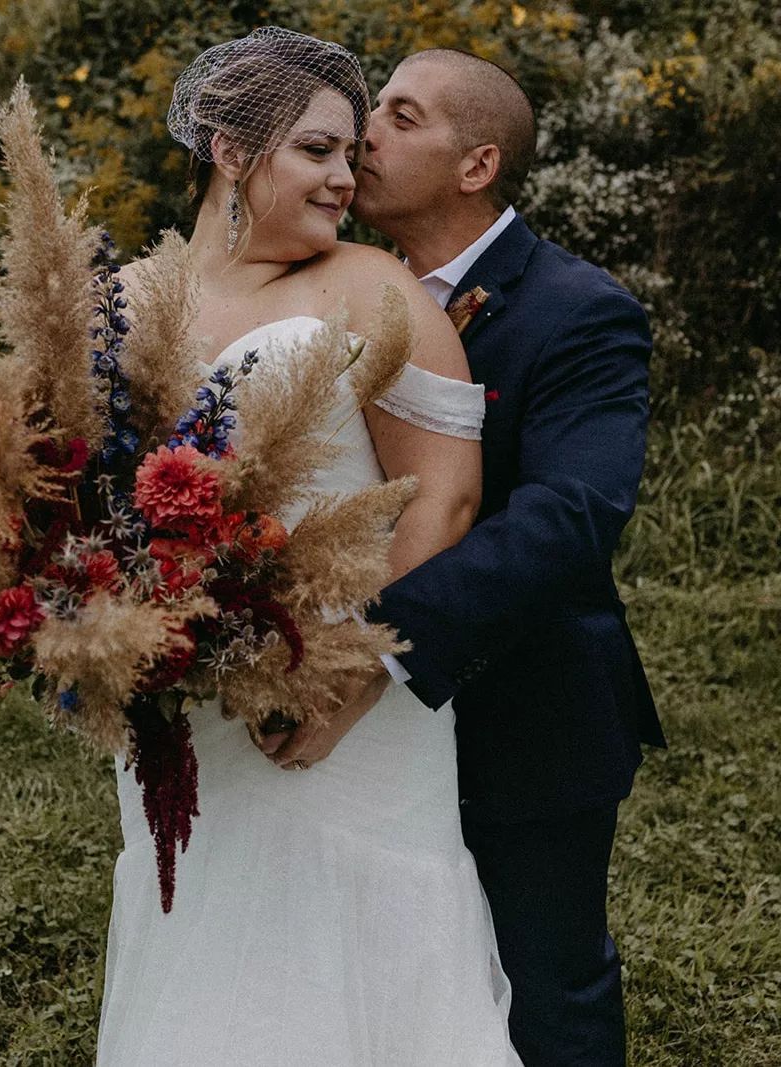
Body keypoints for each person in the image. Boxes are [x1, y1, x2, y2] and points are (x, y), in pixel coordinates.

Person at [97, 28, 523, 1066]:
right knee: (199, 915)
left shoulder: (373, 288)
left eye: (350, 151)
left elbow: (446, 501)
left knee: (364, 925)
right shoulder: (126, 304)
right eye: (316, 152)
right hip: (191, 702)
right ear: (229, 149)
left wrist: (352, 668)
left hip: (349, 699)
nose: (346, 176)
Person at [268, 48, 667, 1066]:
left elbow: (568, 518)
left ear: (476, 163)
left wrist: (378, 647)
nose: (364, 136)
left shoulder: (578, 311)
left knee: (546, 980)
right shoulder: (322, 288)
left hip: (522, 708)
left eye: (400, 117)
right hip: (344, 721)